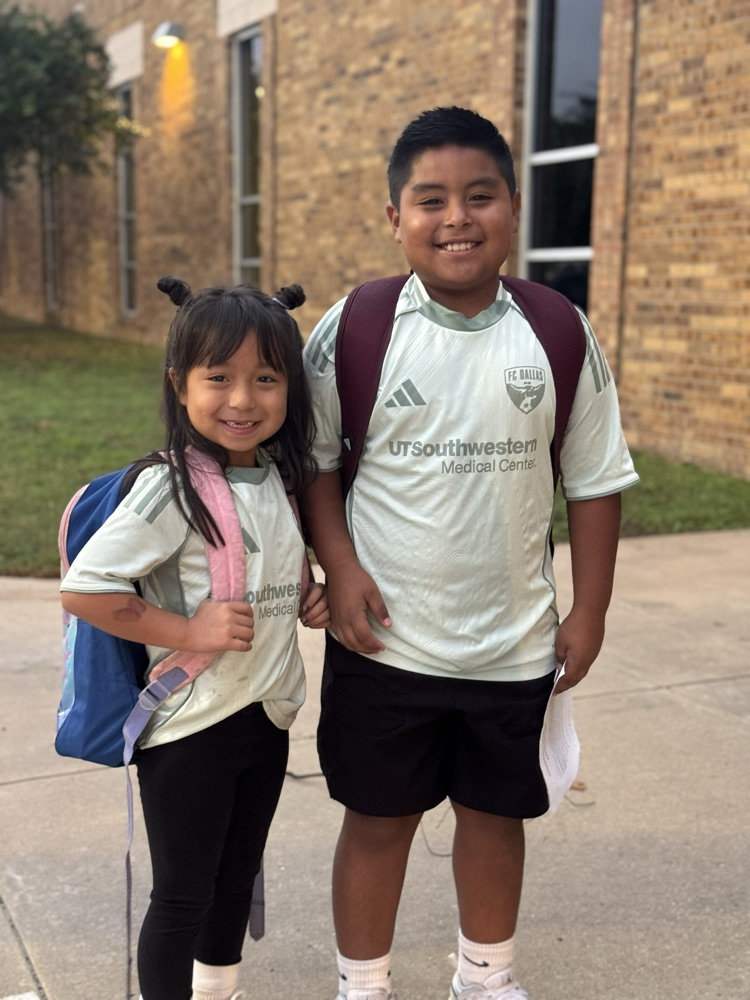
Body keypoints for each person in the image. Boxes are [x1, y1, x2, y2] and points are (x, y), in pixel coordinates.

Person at [302, 106, 639, 1000]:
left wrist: (590, 611)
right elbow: (315, 466)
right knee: (378, 821)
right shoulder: (358, 326)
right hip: (384, 641)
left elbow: (595, 480)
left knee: (494, 817)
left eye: (480, 196)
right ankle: (362, 984)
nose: (457, 217)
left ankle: (486, 977)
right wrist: (340, 569)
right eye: (431, 200)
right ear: (395, 218)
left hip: (511, 643)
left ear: (514, 207)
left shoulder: (557, 329)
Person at [61, 277, 329, 1000]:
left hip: (265, 719)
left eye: (266, 378)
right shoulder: (170, 488)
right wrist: (188, 629)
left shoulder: (278, 480)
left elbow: (268, 566)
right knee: (181, 896)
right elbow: (86, 589)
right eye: (219, 377)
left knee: (236, 878)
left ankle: (219, 989)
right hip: (189, 731)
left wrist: (304, 595)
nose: (243, 399)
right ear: (180, 384)